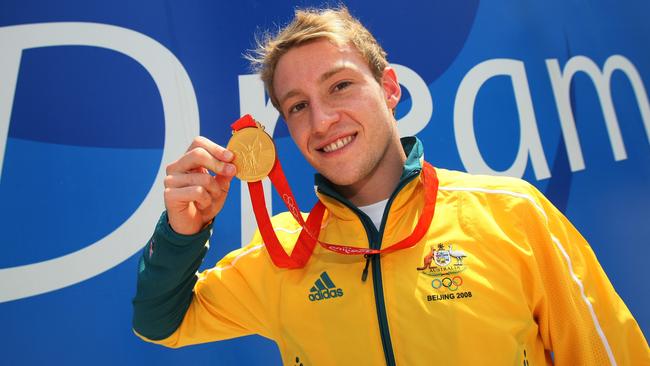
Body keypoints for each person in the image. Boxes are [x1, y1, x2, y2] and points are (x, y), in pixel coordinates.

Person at [132, 6, 649, 365]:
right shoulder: (283, 254)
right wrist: (183, 232)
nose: (323, 119)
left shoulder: (513, 215)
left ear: (390, 89)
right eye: (297, 106)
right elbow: (161, 325)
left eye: (340, 86)